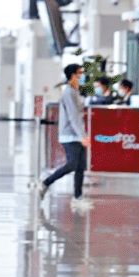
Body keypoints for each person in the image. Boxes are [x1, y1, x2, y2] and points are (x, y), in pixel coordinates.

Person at [37, 65, 92, 210]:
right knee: (73, 164)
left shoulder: (74, 91)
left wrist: (83, 134)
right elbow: (73, 116)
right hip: (70, 135)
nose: (81, 76)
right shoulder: (68, 92)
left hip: (77, 135)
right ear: (72, 75)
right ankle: (45, 183)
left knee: (81, 166)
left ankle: (78, 197)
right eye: (79, 73)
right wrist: (82, 136)